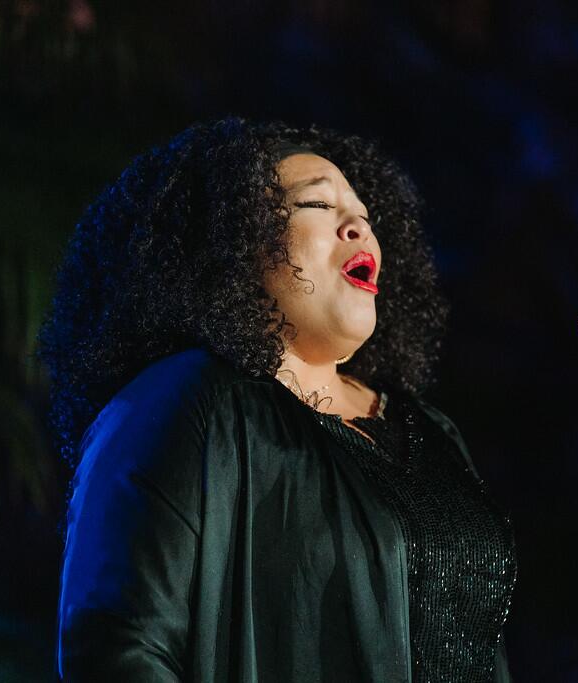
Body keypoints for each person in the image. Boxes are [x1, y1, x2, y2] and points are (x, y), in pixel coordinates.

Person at [40, 117, 518, 682]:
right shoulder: (188, 403)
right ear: (233, 238)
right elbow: (119, 648)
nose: (357, 228)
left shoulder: (433, 431)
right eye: (318, 205)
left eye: (366, 218)